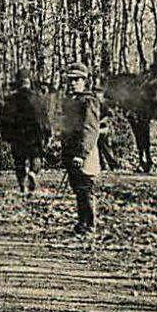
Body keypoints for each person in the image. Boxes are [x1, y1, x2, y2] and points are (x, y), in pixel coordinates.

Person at [56, 63, 104, 234]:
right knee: (77, 188)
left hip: (84, 152)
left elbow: (90, 129)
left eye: (77, 80)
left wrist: (82, 154)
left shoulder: (88, 101)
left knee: (85, 188)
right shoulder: (70, 101)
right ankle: (82, 223)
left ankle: (90, 225)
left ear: (84, 80)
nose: (73, 83)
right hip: (71, 151)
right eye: (70, 80)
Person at [0, 68, 51, 195]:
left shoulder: (10, 99)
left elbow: (5, 119)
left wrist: (5, 136)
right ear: (29, 81)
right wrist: (48, 133)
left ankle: (23, 186)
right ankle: (33, 173)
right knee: (36, 157)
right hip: (34, 134)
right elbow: (44, 118)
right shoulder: (39, 98)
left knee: (19, 161)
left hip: (17, 134)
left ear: (18, 82)